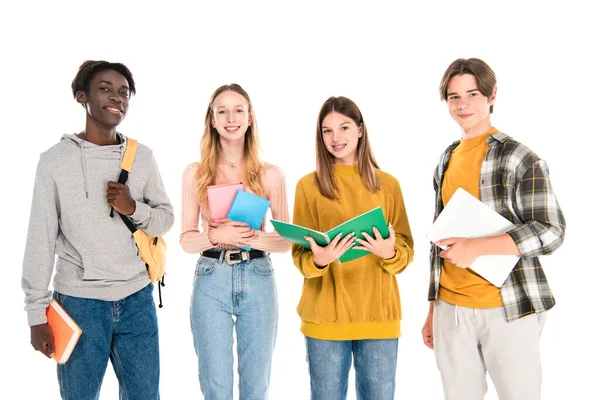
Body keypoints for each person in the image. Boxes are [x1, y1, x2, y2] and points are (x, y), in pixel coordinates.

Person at [22, 60, 174, 399]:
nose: (117, 98)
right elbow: (40, 238)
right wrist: (36, 312)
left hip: (137, 298)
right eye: (105, 88)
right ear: (81, 97)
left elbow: (165, 220)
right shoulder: (55, 161)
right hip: (79, 303)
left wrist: (133, 208)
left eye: (124, 92)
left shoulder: (143, 157)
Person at [421, 58, 566, 400]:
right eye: (454, 97)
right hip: (451, 310)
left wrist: (479, 246)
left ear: (491, 96)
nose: (463, 104)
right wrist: (432, 310)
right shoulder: (446, 159)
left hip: (508, 307)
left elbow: (552, 230)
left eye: (472, 93)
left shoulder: (518, 157)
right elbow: (439, 240)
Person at [291, 96, 414, 399]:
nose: (336, 138)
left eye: (344, 127)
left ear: (360, 130)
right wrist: (320, 260)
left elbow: (405, 249)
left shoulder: (389, 185)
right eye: (327, 131)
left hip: (378, 317)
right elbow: (299, 254)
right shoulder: (308, 186)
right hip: (325, 317)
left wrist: (388, 252)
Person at [180, 83, 290, 399]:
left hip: (258, 277)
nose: (231, 117)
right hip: (211, 277)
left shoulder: (271, 175)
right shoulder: (195, 173)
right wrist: (214, 235)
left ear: (250, 117)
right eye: (222, 111)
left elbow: (286, 242)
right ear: (212, 120)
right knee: (215, 386)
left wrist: (251, 236)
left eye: (239, 109)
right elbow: (186, 240)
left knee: (257, 385)